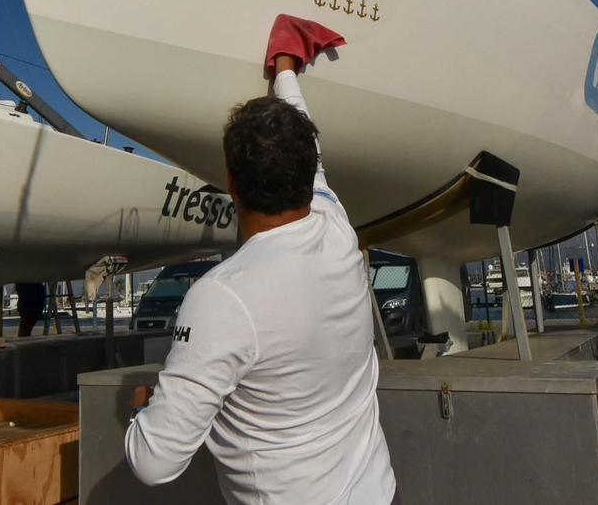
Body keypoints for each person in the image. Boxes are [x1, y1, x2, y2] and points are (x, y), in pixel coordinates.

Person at [125, 51, 397, 505]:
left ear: (231, 182)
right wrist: (286, 70)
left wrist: (138, 412)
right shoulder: (337, 229)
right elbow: (315, 156)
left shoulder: (223, 297)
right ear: (309, 172)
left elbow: (155, 463)